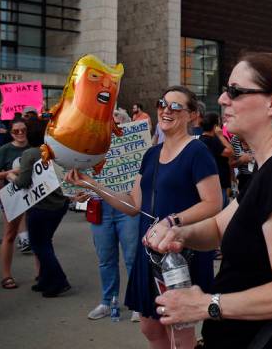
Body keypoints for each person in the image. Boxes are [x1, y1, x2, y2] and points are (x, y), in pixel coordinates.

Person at [143, 52, 272, 348]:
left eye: (236, 91)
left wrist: (206, 305)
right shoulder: (266, 170)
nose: (224, 99)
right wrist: (179, 233)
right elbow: (217, 228)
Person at [67, 86, 223, 349]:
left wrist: (173, 221)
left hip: (180, 253)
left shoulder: (197, 152)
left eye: (175, 106)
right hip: (149, 252)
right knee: (150, 325)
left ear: (192, 115)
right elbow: (133, 204)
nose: (165, 110)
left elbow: (213, 203)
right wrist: (92, 186)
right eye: (162, 103)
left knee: (179, 330)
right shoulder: (151, 154)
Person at [11, 118, 85, 297]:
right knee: (45, 243)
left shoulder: (30, 154)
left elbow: (23, 182)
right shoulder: (55, 151)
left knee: (39, 246)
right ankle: (45, 280)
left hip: (41, 207)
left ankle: (59, 281)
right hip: (59, 205)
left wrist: (12, 177)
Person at [86, 108, 141, 321]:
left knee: (132, 256)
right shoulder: (90, 148)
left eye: (115, 124)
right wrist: (79, 191)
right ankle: (108, 301)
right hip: (100, 208)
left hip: (126, 206)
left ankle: (137, 302)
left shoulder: (132, 150)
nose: (110, 128)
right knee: (105, 258)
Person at [0, 118, 30, 289]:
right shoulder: (5, 150)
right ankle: (6, 276)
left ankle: (40, 274)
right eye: (16, 131)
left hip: (34, 196)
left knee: (38, 236)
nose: (20, 133)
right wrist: (11, 172)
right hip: (12, 198)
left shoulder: (34, 148)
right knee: (10, 235)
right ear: (11, 132)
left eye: (23, 130)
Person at [199, 112, 234, 206]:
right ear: (215, 126)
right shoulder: (212, 140)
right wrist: (221, 135)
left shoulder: (201, 139)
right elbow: (230, 151)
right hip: (219, 183)